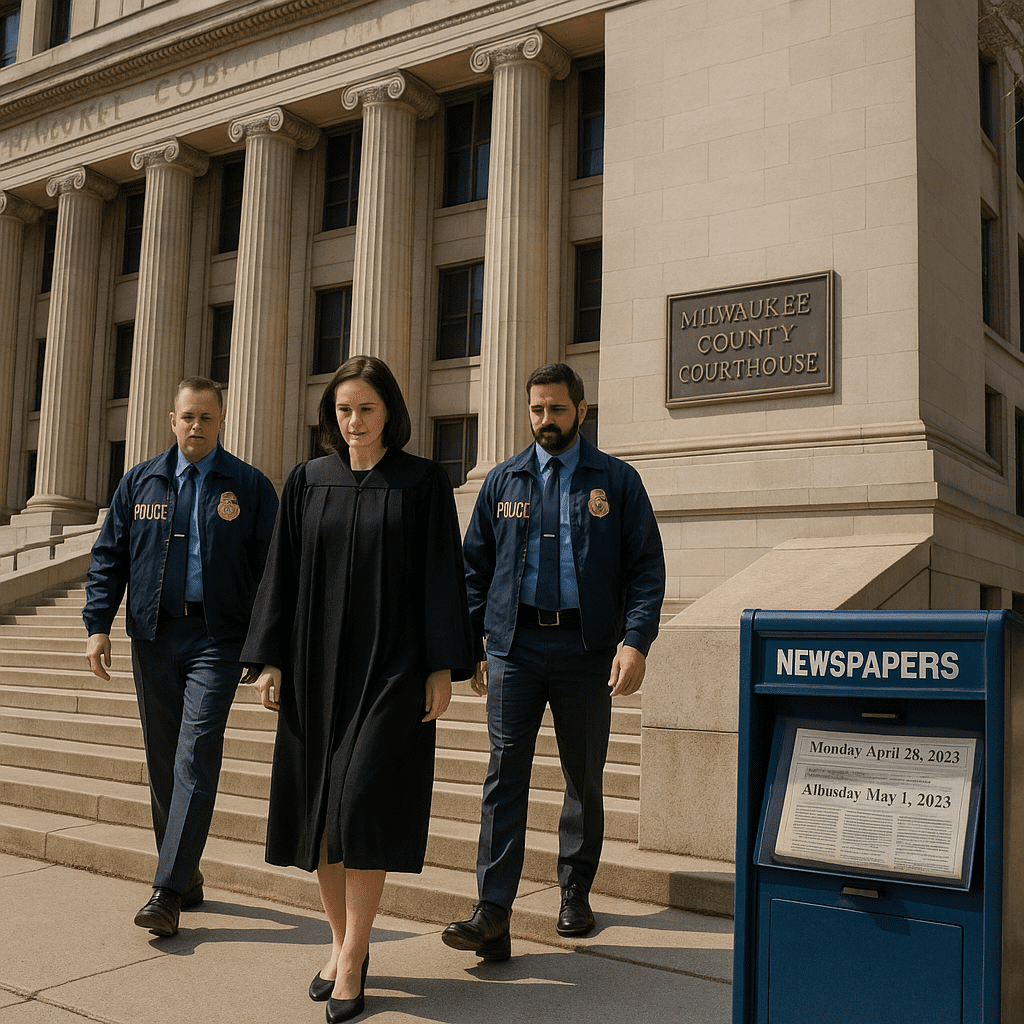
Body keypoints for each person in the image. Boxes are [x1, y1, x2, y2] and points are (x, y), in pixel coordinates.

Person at [241, 355, 474, 1024]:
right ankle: (346, 946)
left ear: (389, 412)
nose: (354, 421)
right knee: (319, 816)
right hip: (314, 671)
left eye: (366, 409)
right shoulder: (308, 481)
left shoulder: (423, 482)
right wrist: (272, 659)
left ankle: (351, 956)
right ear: (331, 416)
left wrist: (442, 665)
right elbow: (281, 573)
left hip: (391, 669)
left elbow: (440, 576)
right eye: (344, 410)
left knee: (360, 805)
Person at [442, 362, 665, 961]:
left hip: (585, 650)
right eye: (537, 409)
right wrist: (475, 647)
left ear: (581, 412)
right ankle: (492, 910)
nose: (545, 420)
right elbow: (473, 572)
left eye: (557, 409)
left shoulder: (615, 482)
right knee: (503, 775)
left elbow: (645, 569)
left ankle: (575, 892)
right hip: (516, 649)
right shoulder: (503, 482)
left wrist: (635, 641)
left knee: (582, 778)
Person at [83, 376, 278, 937]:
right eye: (188, 417)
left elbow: (273, 575)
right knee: (165, 759)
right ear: (172, 420)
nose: (197, 426)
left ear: (221, 422)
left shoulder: (248, 485)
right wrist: (98, 626)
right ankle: (185, 875)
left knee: (195, 755)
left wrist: (267, 650)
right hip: (152, 635)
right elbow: (109, 555)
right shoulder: (139, 482)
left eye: (207, 418)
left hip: (216, 640)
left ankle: (165, 891)